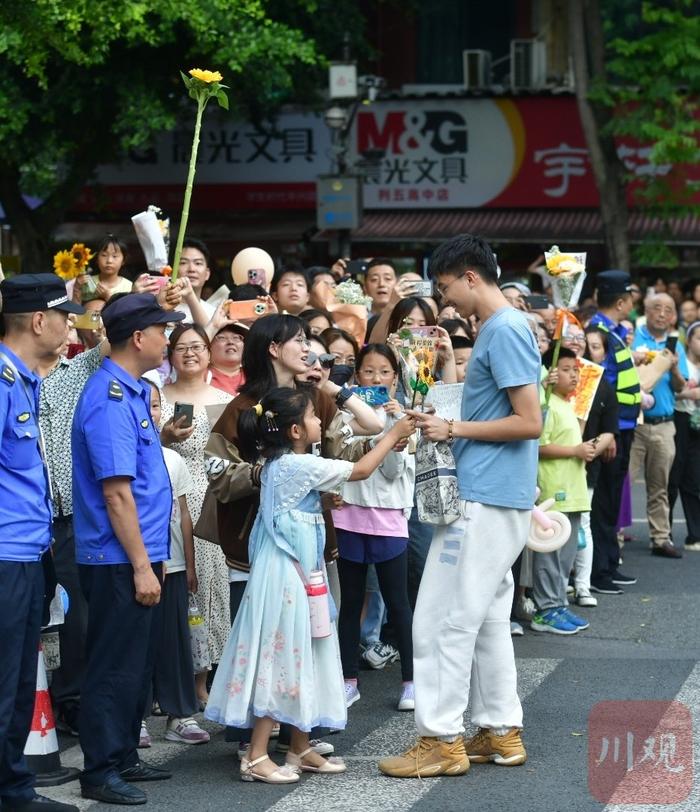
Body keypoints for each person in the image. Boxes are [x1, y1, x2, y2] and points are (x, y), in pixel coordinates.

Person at [379, 234, 542, 779]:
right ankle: (499, 731)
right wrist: (445, 421)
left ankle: (439, 738)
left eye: (447, 288)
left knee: (439, 620)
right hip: (496, 496)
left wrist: (451, 427)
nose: (446, 301)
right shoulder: (502, 328)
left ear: (472, 277)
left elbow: (529, 421)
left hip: (482, 498)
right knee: (488, 619)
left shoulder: (505, 328)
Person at [204, 387, 415, 783]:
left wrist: (318, 505)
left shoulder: (284, 462)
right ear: (296, 430)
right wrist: (393, 432)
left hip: (297, 573)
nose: (321, 421)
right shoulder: (297, 466)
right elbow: (362, 470)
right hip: (287, 577)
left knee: (307, 649)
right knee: (281, 655)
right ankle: (257, 754)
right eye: (314, 417)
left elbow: (286, 507)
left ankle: (300, 746)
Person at [72, 293, 185, 805]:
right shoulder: (109, 397)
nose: (169, 339)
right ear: (139, 338)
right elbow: (116, 493)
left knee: (135, 662)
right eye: (163, 330)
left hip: (138, 551)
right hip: (118, 556)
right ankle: (100, 769)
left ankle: (122, 755)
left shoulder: (134, 390)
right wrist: (143, 566)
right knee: (114, 664)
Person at [0, 274, 81, 812]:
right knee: (5, 685)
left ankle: (11, 790)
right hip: (5, 556)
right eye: (64, 315)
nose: (69, 324)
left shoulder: (26, 378)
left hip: (28, 553)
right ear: (37, 321)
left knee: (15, 685)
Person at [333, 344, 416, 712]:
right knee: (349, 602)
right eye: (369, 371)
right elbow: (338, 456)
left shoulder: (406, 416)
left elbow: (392, 471)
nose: (376, 378)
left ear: (395, 378)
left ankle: (411, 682)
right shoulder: (343, 417)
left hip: (388, 516)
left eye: (384, 372)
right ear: (357, 376)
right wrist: (369, 425)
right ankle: (348, 679)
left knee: (398, 602)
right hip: (348, 512)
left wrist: (393, 432)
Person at [161, 324, 233, 704]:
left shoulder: (223, 398)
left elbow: (230, 454)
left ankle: (203, 679)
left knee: (206, 588)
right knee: (172, 588)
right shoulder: (156, 396)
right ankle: (168, 678)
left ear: (208, 353)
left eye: (197, 347)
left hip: (208, 499)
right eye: (181, 347)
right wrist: (164, 439)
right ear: (170, 355)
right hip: (165, 497)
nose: (190, 353)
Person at [144, 381, 209, 746]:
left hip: (176, 563)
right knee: (140, 642)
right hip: (142, 562)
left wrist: (191, 565)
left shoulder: (173, 459)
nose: (150, 412)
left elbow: (183, 514)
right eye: (144, 404)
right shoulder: (125, 453)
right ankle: (136, 717)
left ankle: (180, 715)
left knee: (176, 642)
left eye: (156, 405)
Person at [530, 347, 593, 635]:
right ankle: (545, 610)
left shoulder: (567, 404)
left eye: (575, 369)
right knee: (549, 556)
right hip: (554, 494)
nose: (573, 374)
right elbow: (539, 447)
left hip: (574, 491)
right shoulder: (547, 405)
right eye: (566, 368)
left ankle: (558, 603)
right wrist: (575, 450)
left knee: (565, 557)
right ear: (551, 373)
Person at [588, 271, 641, 593]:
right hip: (614, 431)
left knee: (610, 500)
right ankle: (600, 572)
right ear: (622, 302)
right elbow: (600, 388)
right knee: (604, 504)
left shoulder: (614, 331)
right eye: (631, 298)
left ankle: (609, 562)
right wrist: (609, 433)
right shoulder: (599, 331)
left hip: (623, 428)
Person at [630, 293, 688, 559]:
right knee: (623, 483)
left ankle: (660, 537)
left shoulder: (677, 346)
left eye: (668, 310)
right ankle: (616, 534)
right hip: (635, 423)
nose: (662, 314)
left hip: (665, 423)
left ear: (674, 315)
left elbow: (680, 387)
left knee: (660, 484)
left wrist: (674, 368)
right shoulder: (633, 338)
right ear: (646, 311)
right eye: (657, 308)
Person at [669, 320, 700, 549]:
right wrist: (690, 393)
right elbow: (672, 392)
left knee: (694, 480)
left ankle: (695, 534)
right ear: (688, 340)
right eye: (698, 338)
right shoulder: (681, 362)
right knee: (673, 477)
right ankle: (664, 532)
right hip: (677, 420)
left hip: (696, 426)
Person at [74, 235, 132, 304]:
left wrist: (108, 297)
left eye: (115, 256)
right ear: (97, 259)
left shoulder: (129, 287)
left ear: (123, 261)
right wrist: (76, 288)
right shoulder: (86, 282)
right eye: (104, 255)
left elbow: (127, 312)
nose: (109, 261)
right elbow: (75, 311)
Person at [176, 238, 216, 322]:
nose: (191, 269)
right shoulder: (162, 310)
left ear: (207, 274)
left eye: (198, 263)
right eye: (183, 262)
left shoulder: (213, 314)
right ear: (172, 272)